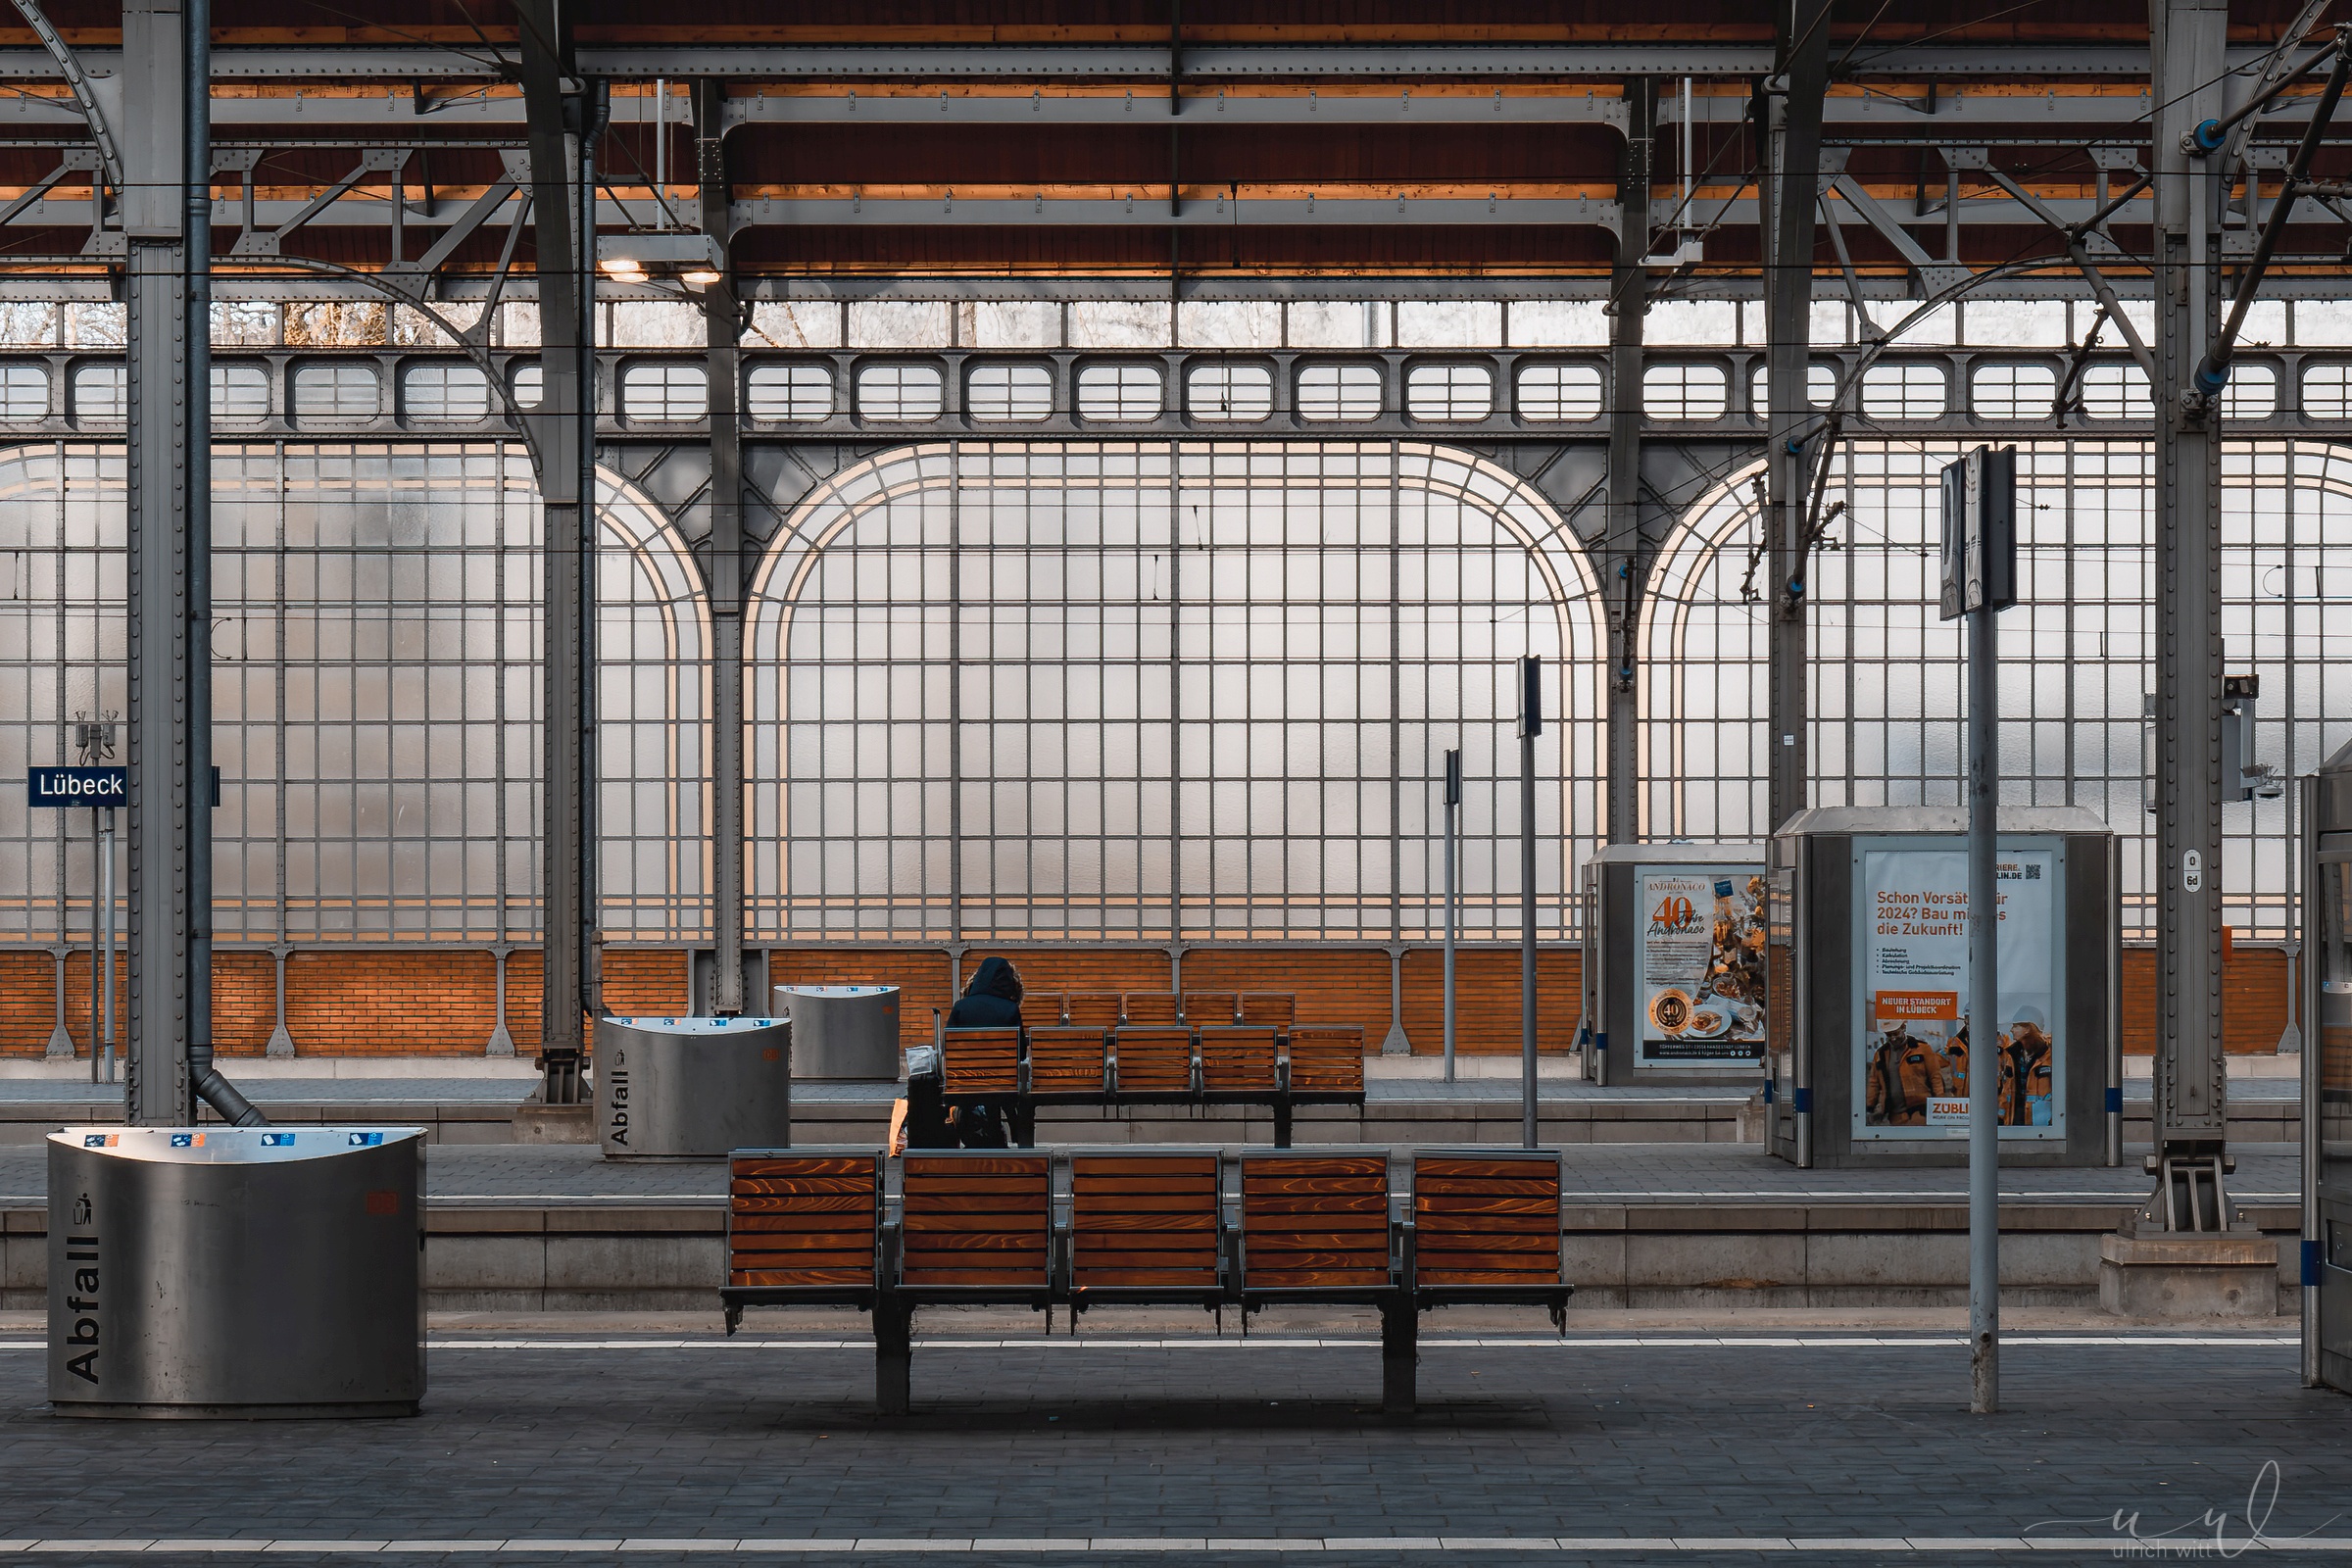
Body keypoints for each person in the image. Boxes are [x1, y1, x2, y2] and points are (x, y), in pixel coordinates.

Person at [940, 956, 1024, 1148]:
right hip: (1003, 1083)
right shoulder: (1010, 1009)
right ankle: (1018, 1138)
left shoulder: (961, 1006)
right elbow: (1020, 1052)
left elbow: (948, 1048)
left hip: (963, 1081)